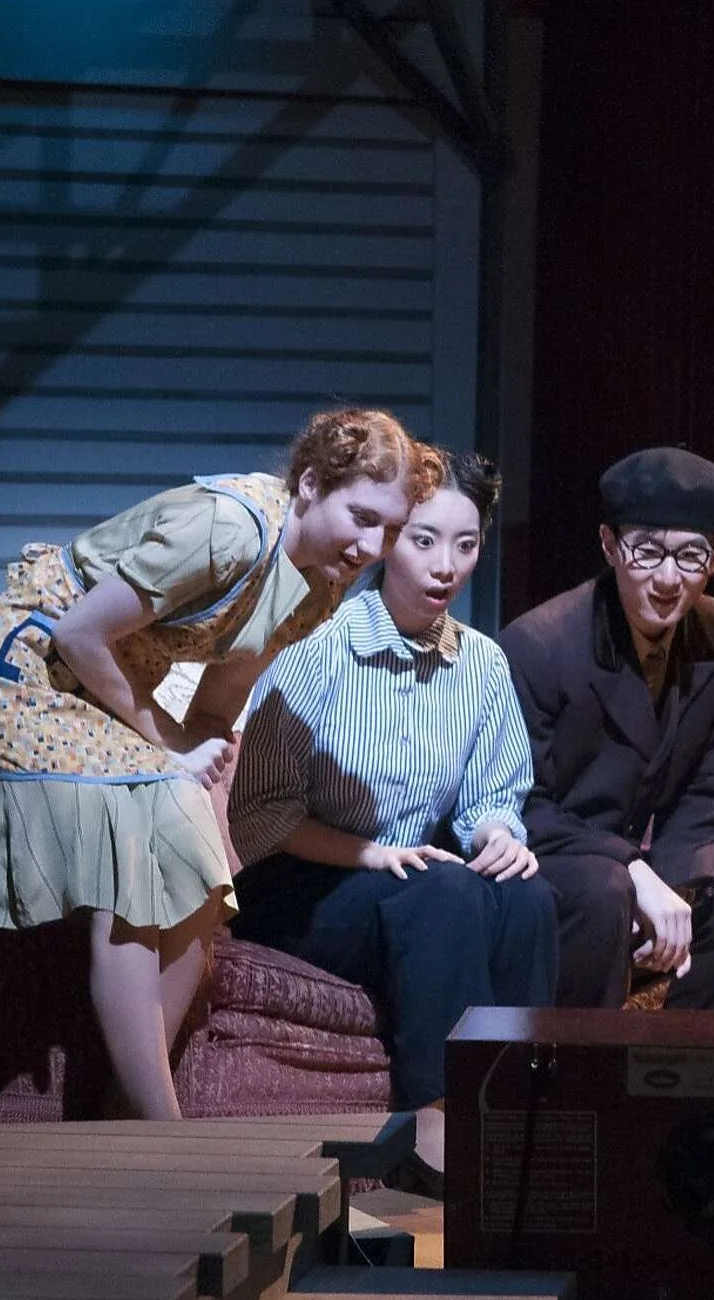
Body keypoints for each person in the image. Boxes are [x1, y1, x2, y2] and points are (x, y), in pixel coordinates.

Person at [0, 408, 439, 1119]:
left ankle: (129, 1111)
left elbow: (218, 706)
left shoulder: (320, 584)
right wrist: (167, 749)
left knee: (191, 855)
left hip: (101, 686)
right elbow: (80, 630)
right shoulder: (228, 529)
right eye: (362, 517)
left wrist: (203, 807)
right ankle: (163, 1130)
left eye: (392, 530)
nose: (374, 545)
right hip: (26, 670)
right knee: (142, 834)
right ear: (310, 484)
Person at [227, 450, 556, 1184]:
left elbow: (488, 797)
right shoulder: (319, 647)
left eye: (466, 545)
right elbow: (261, 817)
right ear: (388, 540)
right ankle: (430, 1125)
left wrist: (497, 836)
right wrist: (372, 854)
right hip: (300, 881)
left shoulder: (482, 663)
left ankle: (530, 1111)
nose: (447, 566)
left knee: (528, 896)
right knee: (447, 892)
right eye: (425, 540)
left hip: (409, 879)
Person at [499, 445, 714, 1010]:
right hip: (554, 859)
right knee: (605, 890)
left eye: (691, 556)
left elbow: (708, 783)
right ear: (610, 545)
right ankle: (587, 1084)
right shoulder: (539, 644)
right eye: (647, 552)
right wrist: (634, 870)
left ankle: (701, 1077)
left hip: (641, 862)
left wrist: (675, 885)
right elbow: (523, 807)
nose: (668, 579)